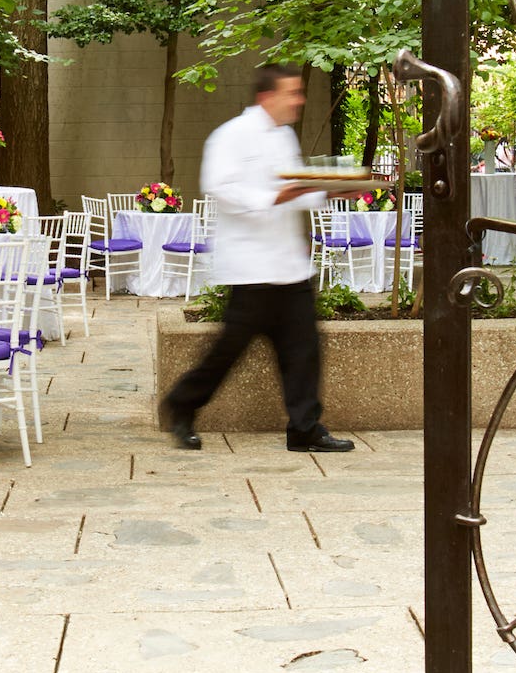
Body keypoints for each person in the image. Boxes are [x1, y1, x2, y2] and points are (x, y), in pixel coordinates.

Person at [158, 64, 368, 453]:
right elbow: (219, 188)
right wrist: (273, 198)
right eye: (293, 93)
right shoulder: (230, 136)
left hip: (289, 267)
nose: (299, 100)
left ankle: (304, 428)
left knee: (304, 349)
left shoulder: (285, 137)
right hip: (251, 268)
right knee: (227, 351)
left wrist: (330, 193)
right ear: (267, 97)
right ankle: (182, 403)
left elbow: (294, 189)